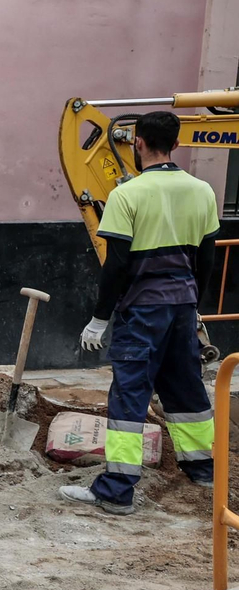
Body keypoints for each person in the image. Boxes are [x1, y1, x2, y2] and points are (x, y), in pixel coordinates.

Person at [62, 111, 218, 515]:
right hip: (182, 305)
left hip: (143, 310)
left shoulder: (126, 195)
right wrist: (190, 304)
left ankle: (116, 490)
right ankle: (204, 470)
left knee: (130, 395)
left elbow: (115, 265)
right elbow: (206, 259)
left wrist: (100, 317)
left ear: (139, 144)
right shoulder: (202, 190)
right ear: (177, 145)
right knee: (186, 388)